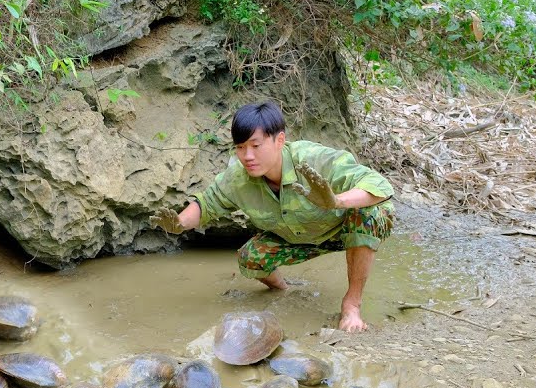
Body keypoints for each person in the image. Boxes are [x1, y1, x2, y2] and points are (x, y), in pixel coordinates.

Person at [150, 100, 395, 332]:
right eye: (240, 147)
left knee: (368, 214)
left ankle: (352, 305)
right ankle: (283, 290)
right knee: (250, 257)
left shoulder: (312, 160)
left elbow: (379, 185)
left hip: (343, 228)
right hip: (299, 240)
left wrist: (336, 201)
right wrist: (180, 223)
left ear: (280, 140)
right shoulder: (237, 178)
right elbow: (206, 204)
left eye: (255, 146)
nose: (247, 156)